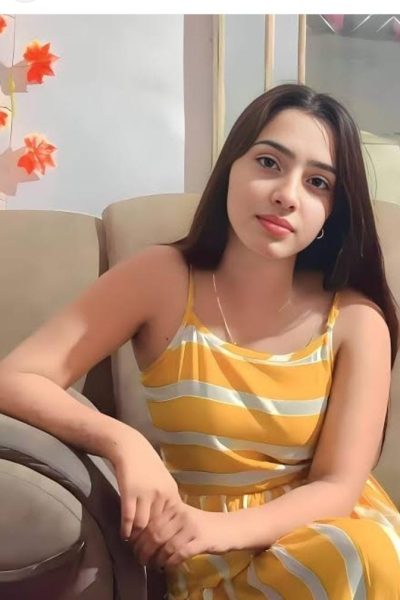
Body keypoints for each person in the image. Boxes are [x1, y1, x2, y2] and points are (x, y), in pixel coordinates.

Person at [0, 83, 399, 599]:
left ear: (332, 212)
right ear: (230, 168)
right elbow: (17, 377)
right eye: (269, 163)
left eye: (317, 182)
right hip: (202, 555)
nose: (287, 194)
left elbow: (338, 486)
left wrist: (217, 529)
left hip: (331, 542)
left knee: (353, 554)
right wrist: (125, 442)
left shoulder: (356, 320)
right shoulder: (161, 278)